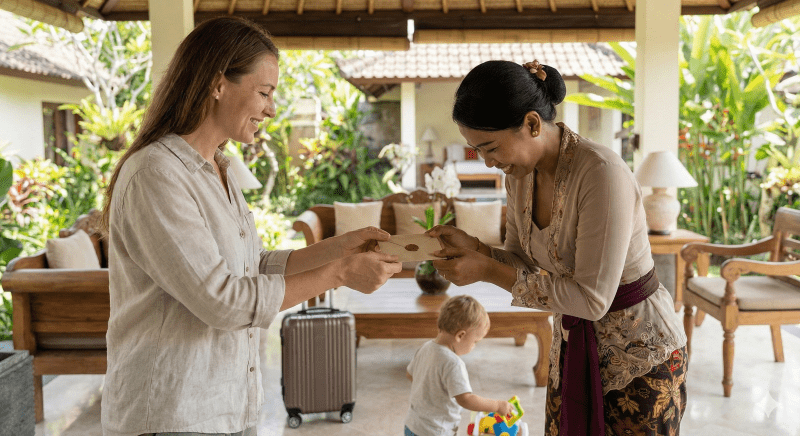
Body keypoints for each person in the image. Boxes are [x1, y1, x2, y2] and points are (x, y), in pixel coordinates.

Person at [99, 17, 401, 436]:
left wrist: (341, 248)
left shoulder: (217, 168)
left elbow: (251, 265)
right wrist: (340, 274)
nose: (271, 109)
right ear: (217, 83)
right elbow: (221, 300)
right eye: (264, 92)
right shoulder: (156, 174)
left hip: (223, 407)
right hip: (172, 413)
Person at [427, 60, 687, 436]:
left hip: (639, 355)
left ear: (532, 124)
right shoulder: (519, 175)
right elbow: (522, 261)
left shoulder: (600, 173)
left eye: (490, 147)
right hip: (573, 345)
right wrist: (478, 249)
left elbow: (593, 299)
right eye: (476, 151)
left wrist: (485, 270)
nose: (488, 162)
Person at [404, 295, 515, 436]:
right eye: (475, 341)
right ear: (460, 336)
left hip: (412, 426)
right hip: (437, 431)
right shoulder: (453, 363)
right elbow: (466, 399)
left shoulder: (425, 347)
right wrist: (497, 405)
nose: (474, 346)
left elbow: (410, 375)